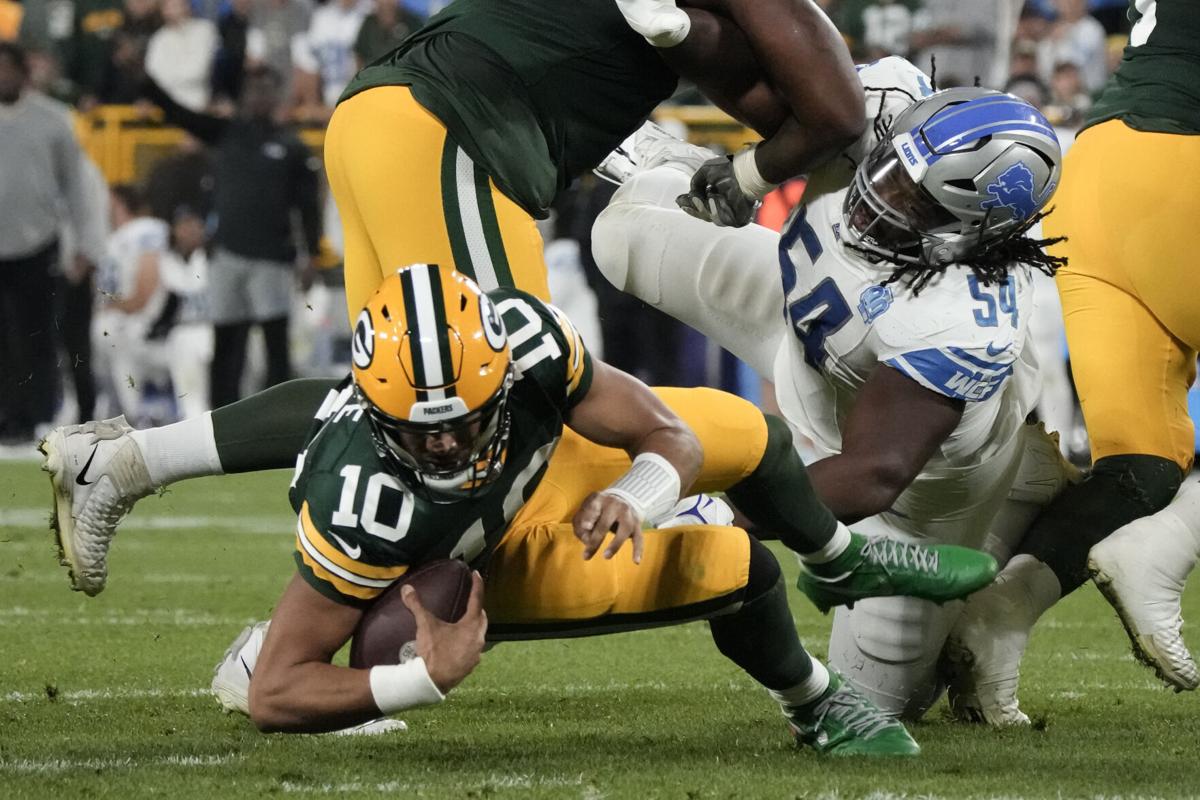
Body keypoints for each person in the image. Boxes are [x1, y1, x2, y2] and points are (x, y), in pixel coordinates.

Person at [43, 0, 869, 594]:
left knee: (395, 393)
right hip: (456, 131)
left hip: (387, 116)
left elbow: (749, 79)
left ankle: (124, 462)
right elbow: (833, 112)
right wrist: (745, 175)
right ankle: (292, 654)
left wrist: (701, 59)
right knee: (497, 390)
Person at [53, 263, 998, 751]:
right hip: (480, 559)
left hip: (554, 476)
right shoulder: (367, 498)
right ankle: (818, 707)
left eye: (463, 416)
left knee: (749, 433)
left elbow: (666, 433)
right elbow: (275, 701)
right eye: (421, 431)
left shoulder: (525, 340)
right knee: (732, 564)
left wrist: (638, 493)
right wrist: (421, 679)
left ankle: (838, 560)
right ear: (379, 415)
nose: (448, 444)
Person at [588, 61, 1073, 719]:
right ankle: (672, 164)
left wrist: (719, 516)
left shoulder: (961, 318)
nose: (881, 189)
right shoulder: (886, 104)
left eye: (911, 195)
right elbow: (761, 72)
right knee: (620, 235)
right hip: (809, 327)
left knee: (877, 706)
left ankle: (976, 595)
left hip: (912, 495)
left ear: (966, 232)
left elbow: (873, 475)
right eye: (895, 165)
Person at [946, 0, 1200, 721]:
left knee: (1143, 466)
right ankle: (1168, 546)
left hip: (1096, 173)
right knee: (1158, 508)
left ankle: (998, 616)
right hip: (1182, 163)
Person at [138, 64, 322, 409]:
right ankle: (223, 419)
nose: (258, 97)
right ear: (243, 97)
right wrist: (146, 84)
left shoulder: (292, 147)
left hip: (272, 257)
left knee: (275, 345)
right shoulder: (227, 133)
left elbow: (308, 208)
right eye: (253, 90)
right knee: (226, 343)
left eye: (266, 90)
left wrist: (310, 254)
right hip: (228, 255)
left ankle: (279, 422)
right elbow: (182, 115)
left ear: (278, 97)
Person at [0, 41, 101, 444]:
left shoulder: (53, 119)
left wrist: (87, 244)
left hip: (38, 241)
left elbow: (77, 187)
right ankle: (8, 417)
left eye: (9, 68)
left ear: (25, 72)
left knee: (38, 335)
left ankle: (39, 415)